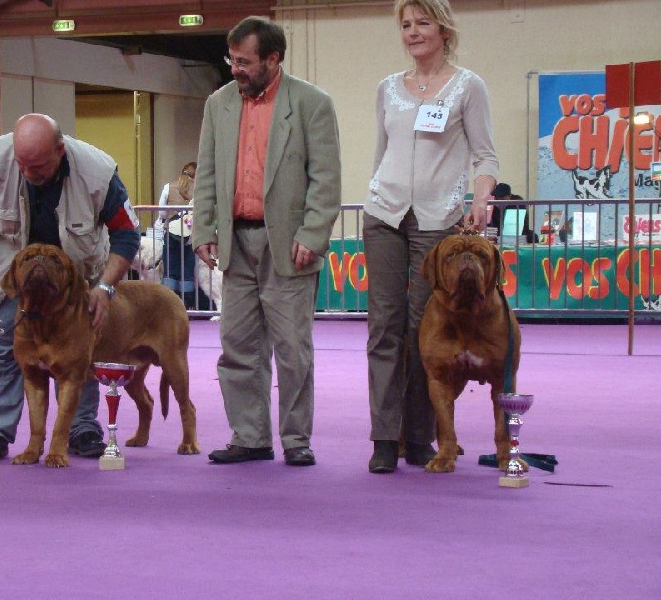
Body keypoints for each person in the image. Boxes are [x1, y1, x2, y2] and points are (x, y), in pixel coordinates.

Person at [192, 16, 341, 467]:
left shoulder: (313, 103)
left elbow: (325, 179)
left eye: (244, 61)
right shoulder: (217, 104)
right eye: (231, 59)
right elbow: (208, 174)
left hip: (290, 245)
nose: (235, 69)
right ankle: (250, 435)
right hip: (235, 244)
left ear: (273, 59)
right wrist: (203, 229)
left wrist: (313, 235)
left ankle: (296, 439)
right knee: (237, 347)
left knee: (293, 350)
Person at [0, 113, 141, 462]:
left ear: (60, 150)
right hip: (14, 268)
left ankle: (82, 428)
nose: (27, 174)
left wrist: (105, 286)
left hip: (75, 272)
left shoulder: (98, 172)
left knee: (79, 348)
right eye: (21, 165)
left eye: (37, 166)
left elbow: (128, 233)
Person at [363, 0, 499, 473]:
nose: (413, 32)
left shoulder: (468, 86)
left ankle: (418, 436)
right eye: (406, 24)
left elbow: (485, 156)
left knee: (425, 330)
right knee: (383, 327)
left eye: (422, 23)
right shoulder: (387, 89)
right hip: (383, 214)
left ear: (443, 28)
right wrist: (374, 192)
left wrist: (481, 198)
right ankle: (383, 438)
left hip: (438, 221)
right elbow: (382, 153)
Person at [158, 162, 197, 308]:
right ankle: (187, 306)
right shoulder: (198, 190)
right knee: (187, 270)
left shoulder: (168, 187)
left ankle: (168, 306)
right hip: (191, 235)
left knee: (170, 269)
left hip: (171, 233)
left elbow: (162, 212)